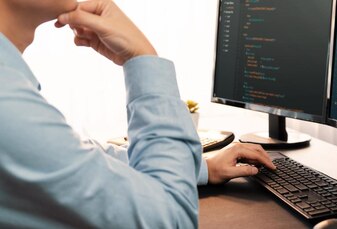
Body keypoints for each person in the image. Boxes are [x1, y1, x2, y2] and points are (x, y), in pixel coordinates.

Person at [0, 0, 276, 227]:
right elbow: (170, 219)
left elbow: (82, 158)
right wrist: (142, 58)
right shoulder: (7, 103)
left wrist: (201, 168)